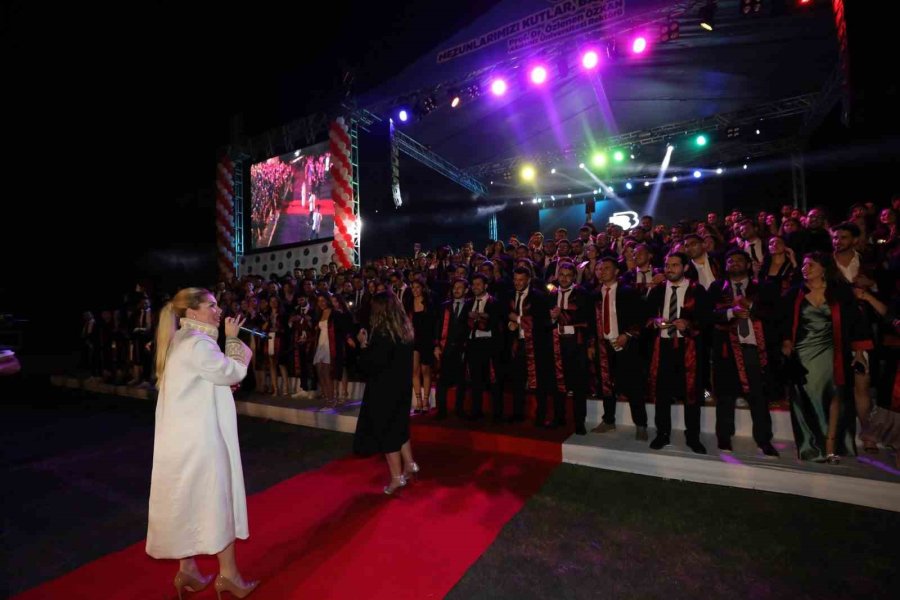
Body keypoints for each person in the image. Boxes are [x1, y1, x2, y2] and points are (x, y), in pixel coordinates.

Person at [146, 288, 259, 599]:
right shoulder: (198, 343)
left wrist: (221, 383)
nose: (218, 310)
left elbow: (206, 382)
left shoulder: (180, 341)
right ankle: (229, 576)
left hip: (180, 441)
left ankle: (188, 570)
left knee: (187, 501)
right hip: (200, 441)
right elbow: (232, 371)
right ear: (192, 312)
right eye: (212, 305)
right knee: (216, 500)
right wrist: (233, 340)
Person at [353, 292, 419, 495]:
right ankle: (410, 464)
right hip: (402, 387)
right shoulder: (405, 330)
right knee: (400, 427)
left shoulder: (383, 335)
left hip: (384, 390)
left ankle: (396, 478)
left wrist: (363, 345)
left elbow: (370, 366)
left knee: (388, 432)